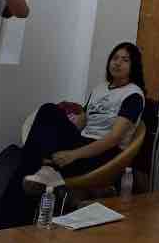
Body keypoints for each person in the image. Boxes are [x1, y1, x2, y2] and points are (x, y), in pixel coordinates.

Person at [17, 42, 146, 195]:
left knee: (47, 115)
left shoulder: (133, 95)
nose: (117, 63)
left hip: (104, 153)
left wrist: (73, 154)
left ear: (134, 66)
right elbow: (82, 121)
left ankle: (36, 175)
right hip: (82, 141)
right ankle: (42, 172)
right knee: (48, 113)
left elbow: (114, 138)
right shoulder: (100, 88)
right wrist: (55, 138)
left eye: (125, 60)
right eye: (115, 58)